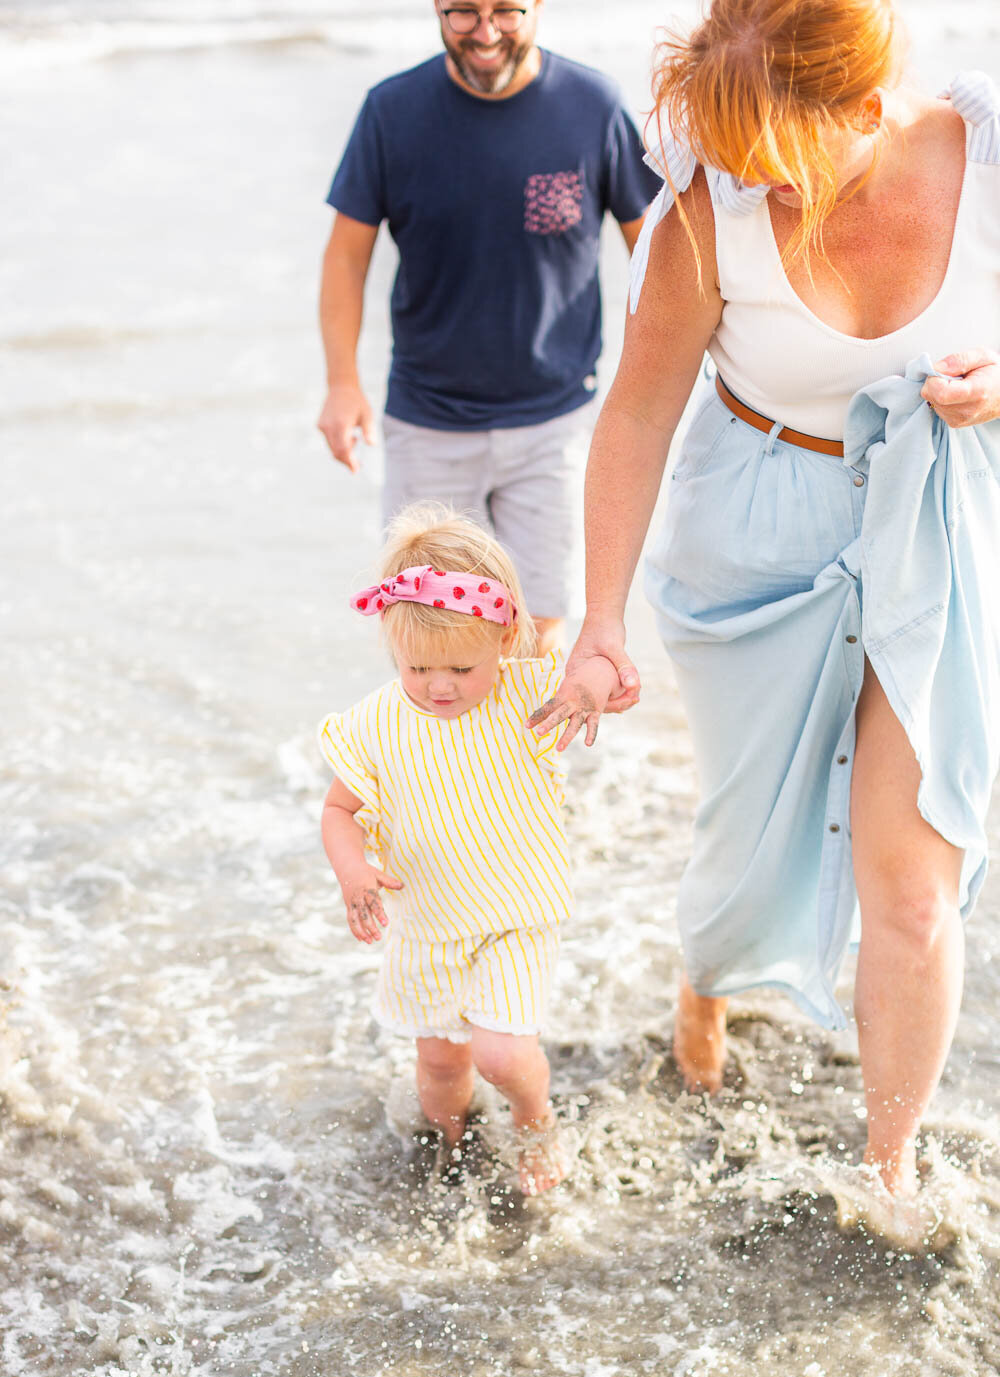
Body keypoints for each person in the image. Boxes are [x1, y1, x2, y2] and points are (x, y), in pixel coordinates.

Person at [529, 0, 1000, 1211]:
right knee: (746, 837)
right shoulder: (707, 207)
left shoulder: (985, 156)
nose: (746, 181)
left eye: (768, 157)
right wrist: (596, 623)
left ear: (861, 110)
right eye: (726, 154)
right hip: (755, 534)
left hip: (939, 527)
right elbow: (634, 412)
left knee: (911, 877)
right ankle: (708, 978)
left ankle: (887, 1171)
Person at [316, 1, 660, 652]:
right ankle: (434, 760)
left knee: (538, 635)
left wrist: (649, 382)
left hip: (553, 423)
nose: (487, 32)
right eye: (463, 14)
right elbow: (345, 256)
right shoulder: (391, 111)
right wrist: (341, 382)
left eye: (506, 11)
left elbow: (655, 251)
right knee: (431, 640)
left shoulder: (593, 105)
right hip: (427, 422)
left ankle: (528, 760)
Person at [319, 506, 609, 1194]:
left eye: (460, 666)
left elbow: (596, 679)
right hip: (427, 927)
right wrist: (353, 868)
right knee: (441, 1074)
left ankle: (535, 1118)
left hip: (515, 914)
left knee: (503, 1055)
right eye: (417, 666)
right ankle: (454, 1146)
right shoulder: (374, 724)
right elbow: (339, 810)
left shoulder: (526, 694)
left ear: (505, 638)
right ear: (393, 644)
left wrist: (598, 688)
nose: (439, 684)